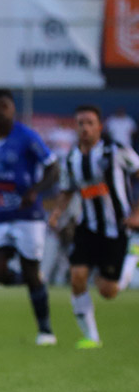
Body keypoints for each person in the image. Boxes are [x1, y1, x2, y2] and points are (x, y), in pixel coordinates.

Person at [47, 105, 139, 348]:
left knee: (108, 291)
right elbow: (67, 191)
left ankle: (133, 258)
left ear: (100, 126)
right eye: (80, 123)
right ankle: (91, 337)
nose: (85, 128)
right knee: (77, 277)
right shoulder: (70, 159)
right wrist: (57, 213)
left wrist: (137, 213)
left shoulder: (116, 151)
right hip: (87, 226)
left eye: (89, 123)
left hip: (117, 227)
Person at [0, 89, 60, 345]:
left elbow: (53, 168)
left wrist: (35, 190)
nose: (1, 110)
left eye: (5, 106)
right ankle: (31, 281)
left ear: (13, 109)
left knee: (30, 267)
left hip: (28, 216)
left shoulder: (27, 137)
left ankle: (45, 330)